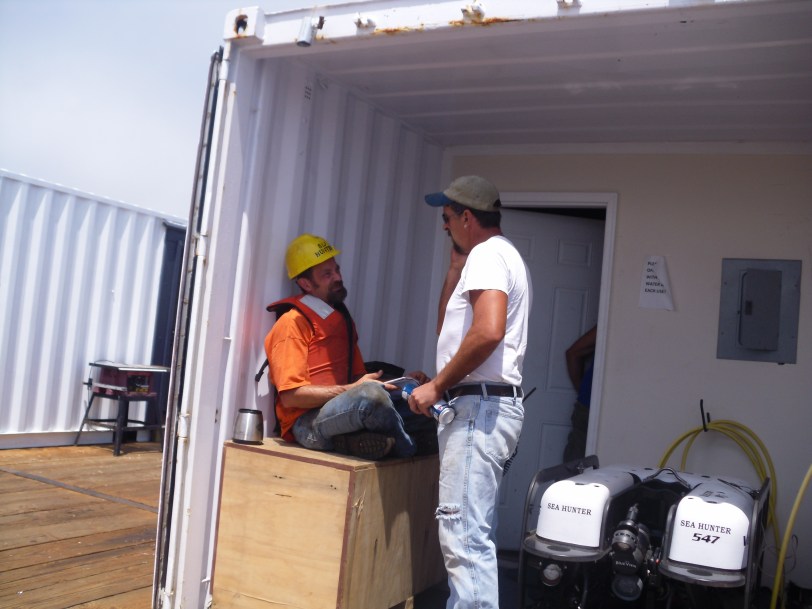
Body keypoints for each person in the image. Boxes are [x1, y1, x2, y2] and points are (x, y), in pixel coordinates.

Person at [408, 176, 532, 609]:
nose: (443, 227)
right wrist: (454, 269)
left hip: (479, 408)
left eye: (446, 218)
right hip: (482, 404)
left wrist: (438, 385)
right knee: (471, 534)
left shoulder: (490, 254)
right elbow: (451, 330)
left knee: (463, 536)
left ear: (466, 216)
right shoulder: (488, 258)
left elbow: (488, 330)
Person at [265, 233, 428, 460]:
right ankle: (402, 451)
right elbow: (291, 397)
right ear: (305, 284)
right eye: (327, 274)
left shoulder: (341, 319)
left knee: (423, 401)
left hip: (343, 410)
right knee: (371, 397)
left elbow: (360, 378)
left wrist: (402, 385)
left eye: (337, 270)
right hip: (306, 423)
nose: (338, 277)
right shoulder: (292, 323)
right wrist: (353, 389)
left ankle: (360, 442)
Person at [563, 325, 596, 463]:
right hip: (588, 406)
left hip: (588, 405)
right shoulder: (614, 325)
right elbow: (573, 354)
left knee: (573, 470)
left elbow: (573, 353)